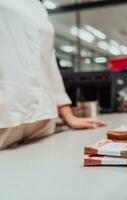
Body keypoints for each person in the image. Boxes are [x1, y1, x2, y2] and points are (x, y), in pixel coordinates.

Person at [0, 0, 106, 150]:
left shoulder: (38, 6)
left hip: (42, 120)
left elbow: (48, 62)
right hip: (5, 115)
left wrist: (67, 114)